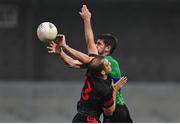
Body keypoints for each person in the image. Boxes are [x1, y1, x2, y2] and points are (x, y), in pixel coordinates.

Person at [47, 35, 128, 122]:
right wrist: (114, 90)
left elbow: (75, 62)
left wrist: (61, 52)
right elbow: (109, 112)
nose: (110, 65)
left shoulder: (91, 72)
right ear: (103, 72)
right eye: (108, 65)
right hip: (90, 119)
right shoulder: (105, 89)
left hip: (78, 117)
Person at [79, 5, 132, 122]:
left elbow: (89, 45)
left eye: (99, 44)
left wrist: (87, 20)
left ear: (107, 48)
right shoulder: (98, 62)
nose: (95, 46)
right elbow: (80, 60)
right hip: (107, 109)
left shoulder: (109, 62)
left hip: (117, 109)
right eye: (96, 43)